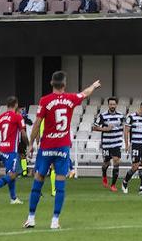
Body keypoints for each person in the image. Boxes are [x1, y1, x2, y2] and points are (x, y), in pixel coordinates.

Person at [24, 72, 101, 229]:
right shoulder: (71, 99)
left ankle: (31, 218)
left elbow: (37, 123)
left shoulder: (44, 101)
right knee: (60, 183)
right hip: (62, 147)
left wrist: (31, 143)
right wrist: (93, 86)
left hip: (46, 147)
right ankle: (55, 220)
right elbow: (85, 93)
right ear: (64, 85)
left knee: (38, 180)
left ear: (51, 83)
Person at [0, 97, 28, 205]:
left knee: (11, 174)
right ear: (16, 104)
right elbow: (23, 134)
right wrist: (29, 144)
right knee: (13, 174)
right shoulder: (18, 117)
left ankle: (13, 199)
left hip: (2, 149)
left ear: (7, 105)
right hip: (11, 151)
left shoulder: (0, 117)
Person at [121, 100, 142, 195]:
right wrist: (127, 144)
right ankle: (125, 182)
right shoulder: (131, 117)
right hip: (135, 144)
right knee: (135, 167)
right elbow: (126, 131)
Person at [93, 97, 125, 192]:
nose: (112, 106)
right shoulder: (102, 116)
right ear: (108, 105)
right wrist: (105, 129)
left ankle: (113, 185)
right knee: (106, 163)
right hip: (106, 144)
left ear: (116, 105)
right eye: (110, 104)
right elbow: (94, 127)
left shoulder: (121, 116)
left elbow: (126, 126)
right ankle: (104, 176)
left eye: (113, 104)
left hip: (117, 143)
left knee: (116, 161)